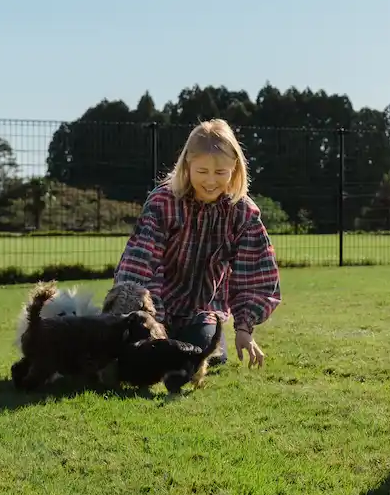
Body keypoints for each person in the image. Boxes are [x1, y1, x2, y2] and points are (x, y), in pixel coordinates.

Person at [104, 119, 281, 367]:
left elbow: (255, 274)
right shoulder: (163, 201)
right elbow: (139, 262)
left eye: (220, 173)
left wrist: (244, 328)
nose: (210, 181)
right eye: (202, 171)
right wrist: (129, 315)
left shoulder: (243, 212)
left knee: (203, 356)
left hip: (202, 311)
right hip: (156, 307)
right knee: (147, 358)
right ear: (187, 165)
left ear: (235, 169)